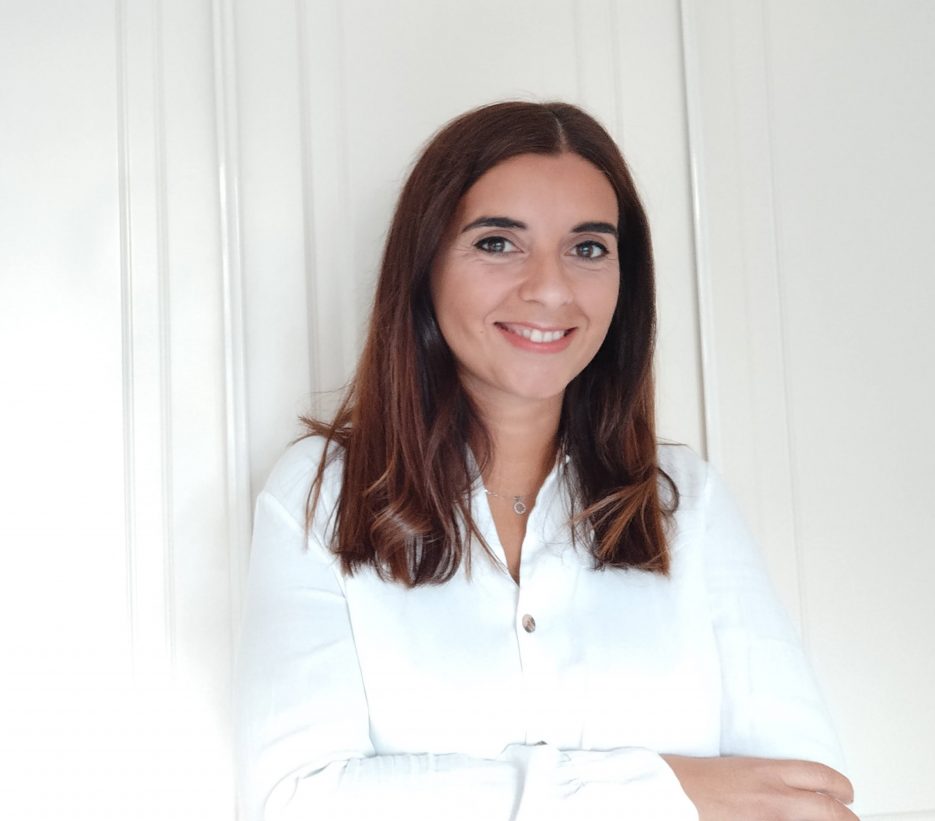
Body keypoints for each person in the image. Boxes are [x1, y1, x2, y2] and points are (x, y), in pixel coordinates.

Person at [234, 101, 857, 820]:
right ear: (424, 264)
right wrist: (668, 789)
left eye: (588, 248)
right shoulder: (323, 492)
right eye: (498, 242)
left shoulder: (683, 499)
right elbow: (296, 800)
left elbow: (807, 798)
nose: (551, 288)